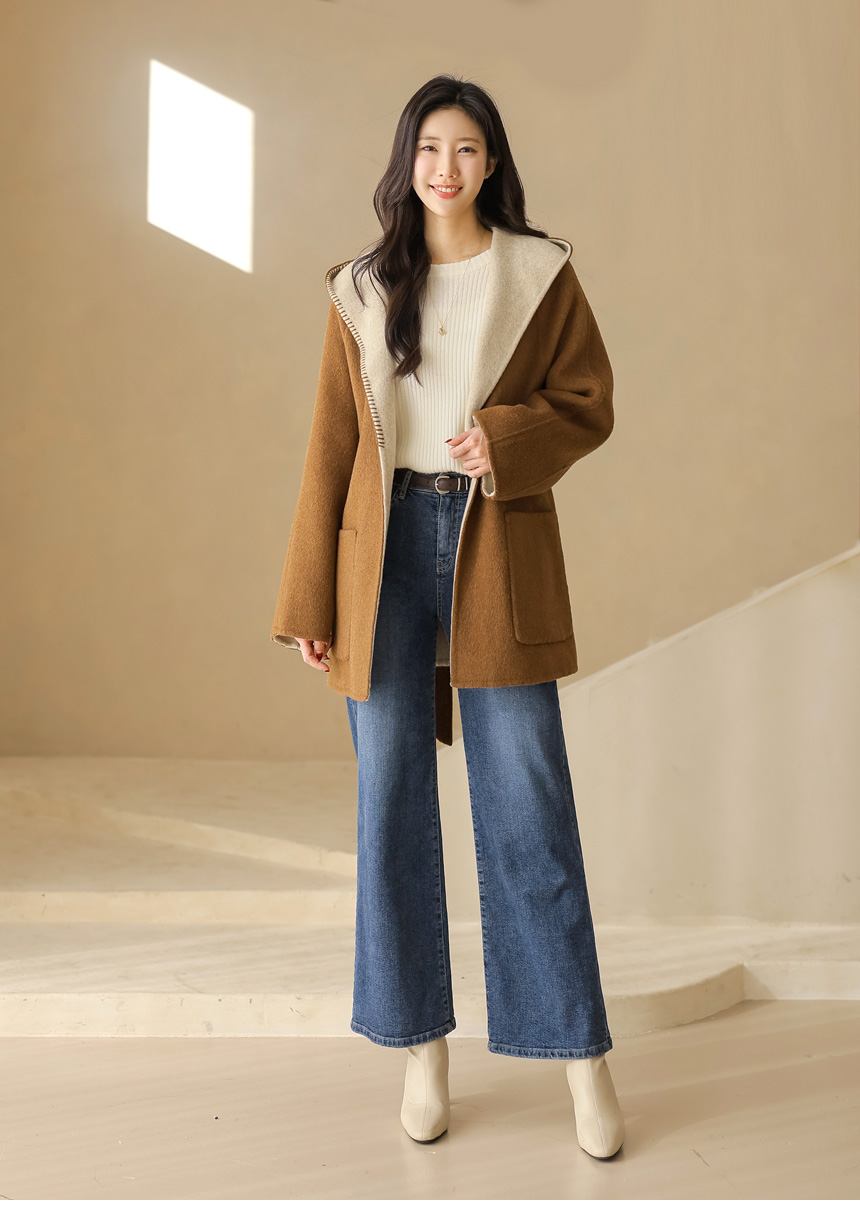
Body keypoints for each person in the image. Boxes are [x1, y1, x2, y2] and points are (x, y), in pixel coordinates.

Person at [270, 73, 624, 1159]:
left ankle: (581, 1062)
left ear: (491, 162)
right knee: (390, 811)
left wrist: (503, 441)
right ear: (406, 160)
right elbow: (331, 448)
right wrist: (310, 599)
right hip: (377, 560)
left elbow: (588, 403)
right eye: (429, 148)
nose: (445, 168)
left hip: (492, 543)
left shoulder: (538, 273)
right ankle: (421, 1052)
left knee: (529, 810)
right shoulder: (360, 288)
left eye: (465, 149)